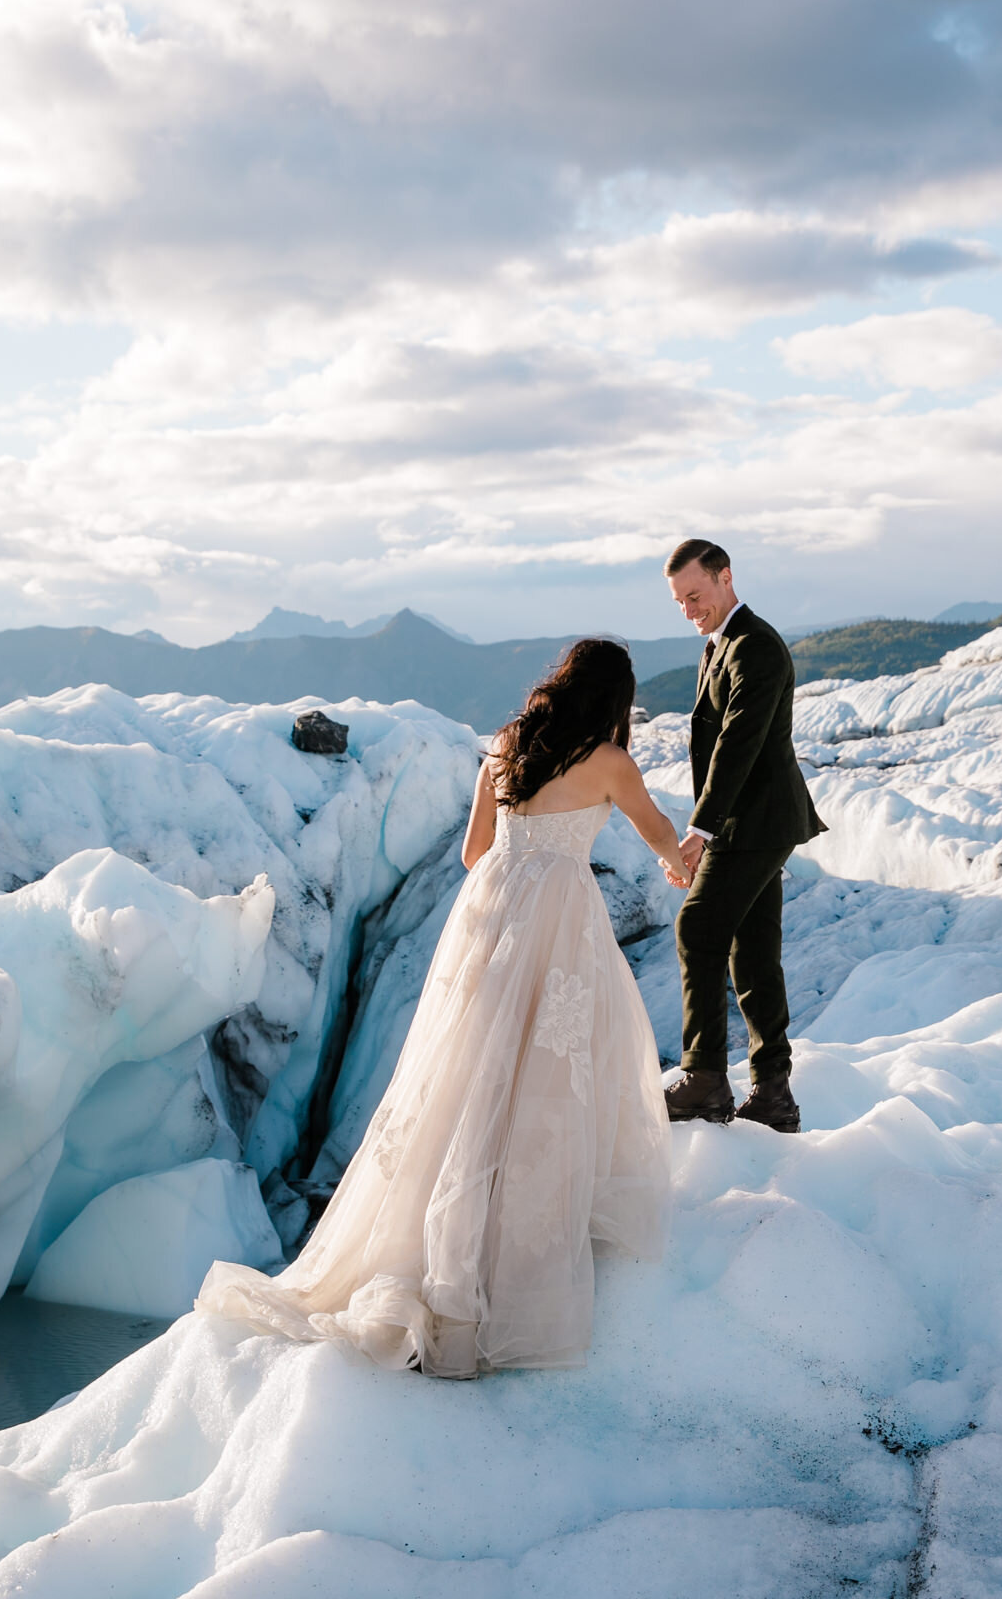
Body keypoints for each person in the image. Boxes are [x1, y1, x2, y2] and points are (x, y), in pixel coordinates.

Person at [197, 639, 690, 1379]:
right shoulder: (611, 762)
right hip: (558, 917)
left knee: (467, 1075)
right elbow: (661, 841)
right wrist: (689, 860)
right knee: (545, 1073)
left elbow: (471, 852)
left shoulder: (507, 744)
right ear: (615, 698)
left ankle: (433, 1246)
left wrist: (525, 854)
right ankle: (513, 1258)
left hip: (489, 912)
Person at [662, 537, 827, 1134]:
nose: (689, 610)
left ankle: (705, 1078)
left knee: (697, 928)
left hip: (754, 821)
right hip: (749, 820)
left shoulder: (753, 645)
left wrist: (699, 829)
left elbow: (739, 743)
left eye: (696, 595)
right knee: (753, 953)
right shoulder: (722, 644)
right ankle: (773, 1094)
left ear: (725, 576)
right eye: (679, 601)